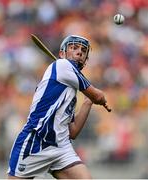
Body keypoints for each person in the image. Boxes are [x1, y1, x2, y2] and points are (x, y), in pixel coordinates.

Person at [7, 35, 111, 179]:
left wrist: (88, 101)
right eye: (74, 48)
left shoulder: (70, 92)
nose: (79, 52)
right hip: (34, 142)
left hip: (60, 147)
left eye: (83, 50)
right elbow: (98, 96)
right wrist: (98, 97)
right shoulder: (61, 65)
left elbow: (73, 132)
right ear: (62, 54)